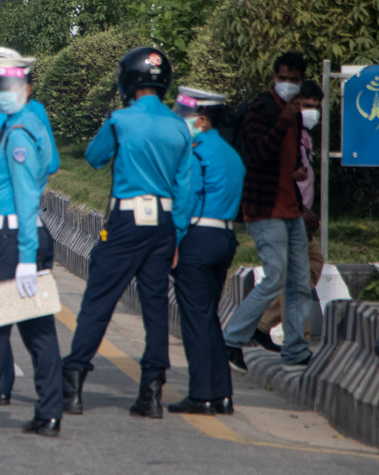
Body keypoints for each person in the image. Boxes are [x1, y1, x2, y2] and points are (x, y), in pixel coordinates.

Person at [61, 47, 192, 419]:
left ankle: (73, 383)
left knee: (99, 300)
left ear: (128, 81)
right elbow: (183, 189)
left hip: (127, 222)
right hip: (164, 225)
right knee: (155, 308)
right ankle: (151, 393)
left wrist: (109, 123)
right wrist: (177, 237)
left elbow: (94, 157)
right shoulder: (179, 126)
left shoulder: (121, 120)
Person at [0, 57, 63, 437]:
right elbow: (51, 163)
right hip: (13, 237)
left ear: (26, 90)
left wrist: (20, 257)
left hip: (16, 237)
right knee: (39, 331)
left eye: (6, 88)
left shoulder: (18, 133)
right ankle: (50, 412)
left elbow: (23, 198)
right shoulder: (32, 124)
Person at [223, 52, 314, 374]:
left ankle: (295, 350)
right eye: (283, 77)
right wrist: (283, 122)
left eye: (294, 79)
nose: (288, 84)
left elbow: (291, 158)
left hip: (291, 209)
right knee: (275, 275)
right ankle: (232, 339)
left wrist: (299, 172)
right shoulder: (258, 111)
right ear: (274, 77)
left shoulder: (298, 115)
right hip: (264, 209)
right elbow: (258, 154)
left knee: (300, 281)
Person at [168, 87, 245, 415]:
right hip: (225, 238)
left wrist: (173, 240)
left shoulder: (196, 152)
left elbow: (186, 199)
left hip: (197, 239)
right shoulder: (230, 154)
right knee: (208, 317)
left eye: (184, 117)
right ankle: (222, 393)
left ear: (202, 120)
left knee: (195, 320)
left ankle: (201, 394)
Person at [256, 79, 325, 349]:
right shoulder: (286, 135)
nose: (312, 112)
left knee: (313, 264)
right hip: (288, 214)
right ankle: (299, 338)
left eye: (316, 107)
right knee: (296, 276)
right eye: (307, 105)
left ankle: (260, 323)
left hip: (300, 216)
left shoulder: (303, 135)